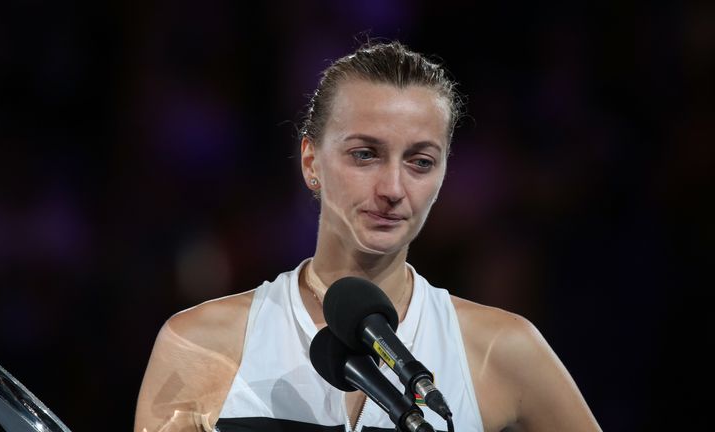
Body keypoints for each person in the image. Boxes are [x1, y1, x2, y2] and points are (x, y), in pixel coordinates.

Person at [134, 41, 602, 432]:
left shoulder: (501, 349)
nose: (393, 189)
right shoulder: (200, 345)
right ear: (311, 162)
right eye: (365, 155)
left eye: (420, 161)